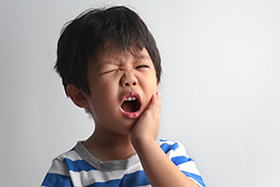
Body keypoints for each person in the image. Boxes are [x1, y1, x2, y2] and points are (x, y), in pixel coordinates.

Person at [41, 6, 206, 187]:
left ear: (156, 81)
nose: (130, 78)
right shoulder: (67, 171)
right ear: (80, 95)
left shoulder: (171, 155)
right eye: (111, 70)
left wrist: (145, 143)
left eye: (141, 66)